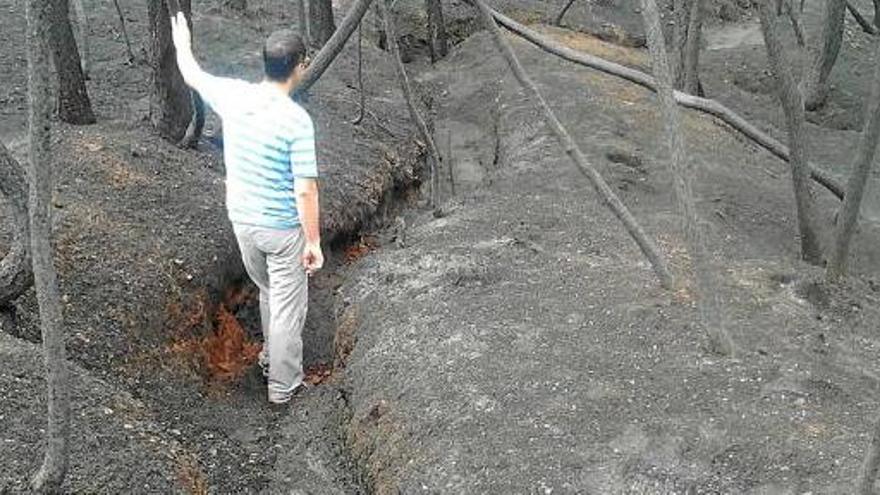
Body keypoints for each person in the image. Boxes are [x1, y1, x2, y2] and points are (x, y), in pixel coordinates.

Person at [170, 12, 323, 405]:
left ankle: (272, 361)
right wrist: (313, 241)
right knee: (289, 306)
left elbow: (192, 74)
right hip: (283, 229)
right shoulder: (296, 121)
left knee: (269, 289)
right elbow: (305, 190)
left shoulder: (235, 95)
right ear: (300, 65)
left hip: (243, 222)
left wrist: (182, 43)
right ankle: (284, 388)